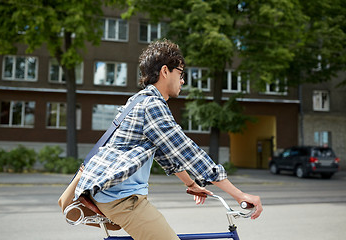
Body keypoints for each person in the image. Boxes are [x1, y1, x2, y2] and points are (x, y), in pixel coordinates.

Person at [75, 39, 262, 240]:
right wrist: (239, 195)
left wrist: (191, 184)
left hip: (113, 193)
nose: (182, 81)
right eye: (180, 74)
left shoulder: (139, 99)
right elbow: (187, 151)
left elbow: (168, 153)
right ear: (165, 71)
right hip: (121, 199)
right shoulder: (152, 106)